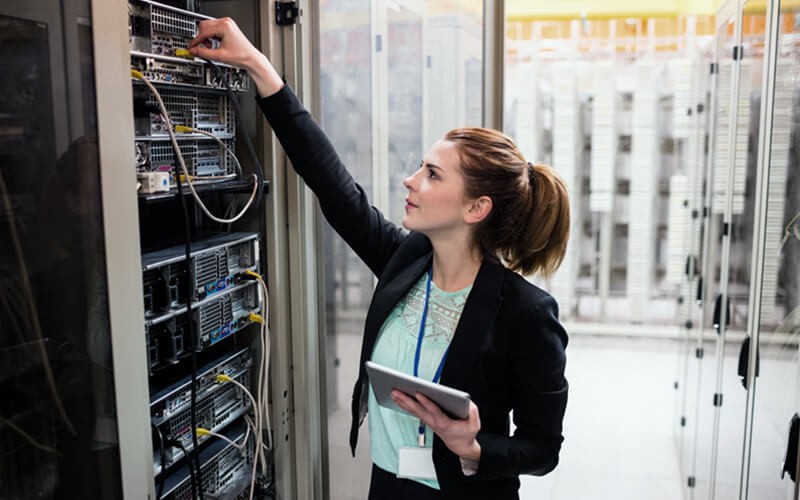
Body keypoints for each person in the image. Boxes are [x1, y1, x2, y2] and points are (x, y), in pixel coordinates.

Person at [190, 17, 570, 500]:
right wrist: (258, 67)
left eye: (432, 174)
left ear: (476, 208)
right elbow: (332, 184)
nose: (411, 180)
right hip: (388, 485)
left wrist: (474, 448)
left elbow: (542, 448)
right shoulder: (405, 260)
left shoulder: (527, 313)